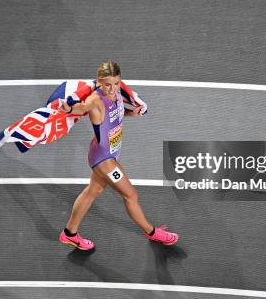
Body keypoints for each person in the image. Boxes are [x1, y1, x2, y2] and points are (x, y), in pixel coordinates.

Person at [58, 60, 179, 250]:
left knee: (93, 191)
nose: (112, 88)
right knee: (130, 194)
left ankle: (69, 233)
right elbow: (82, 108)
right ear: (99, 81)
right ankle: (152, 232)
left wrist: (133, 113)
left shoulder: (117, 92)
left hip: (109, 154)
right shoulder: (95, 100)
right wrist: (69, 109)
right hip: (103, 159)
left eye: (116, 83)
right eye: (107, 84)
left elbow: (116, 114)